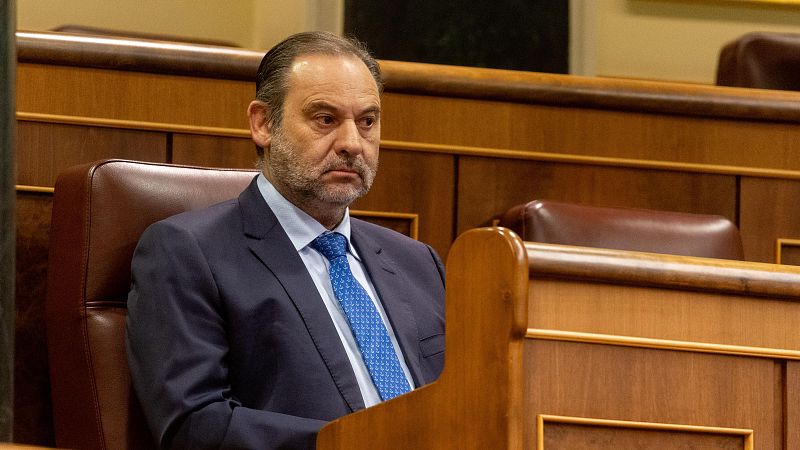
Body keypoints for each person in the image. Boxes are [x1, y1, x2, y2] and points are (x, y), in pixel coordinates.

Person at [126, 31, 445, 450]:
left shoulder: (419, 262)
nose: (352, 143)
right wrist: (365, 442)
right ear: (263, 124)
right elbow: (195, 426)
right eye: (325, 119)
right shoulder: (188, 252)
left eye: (367, 121)